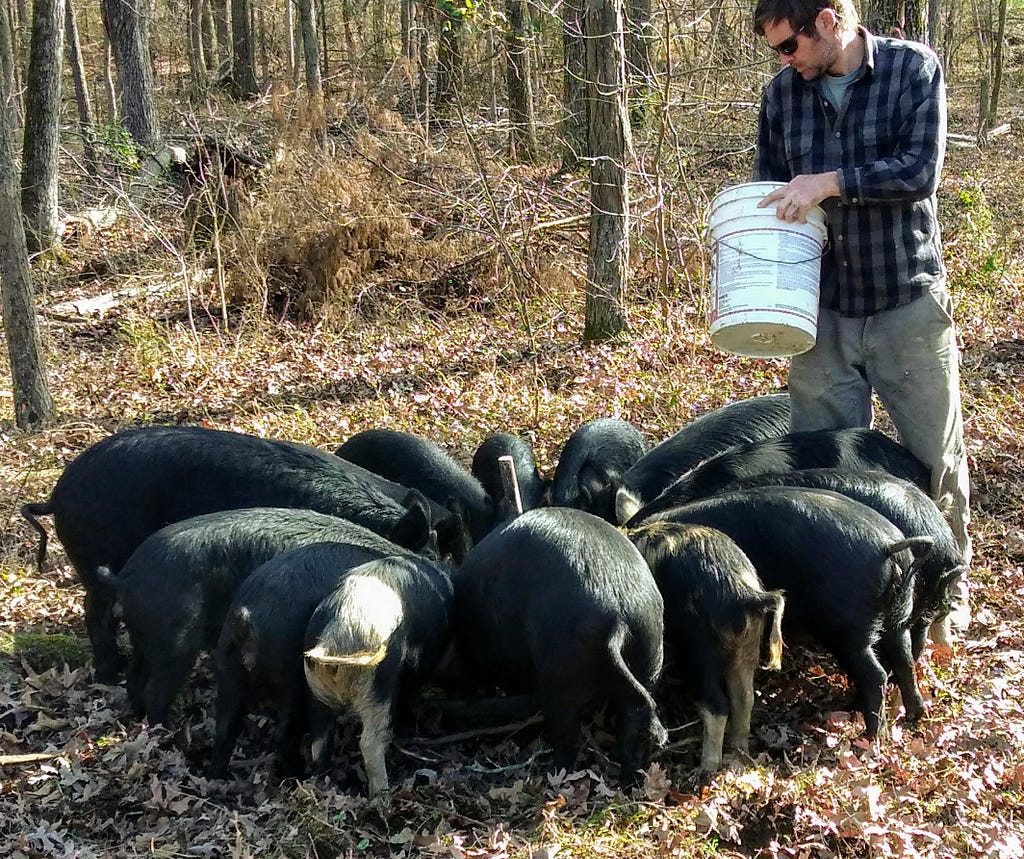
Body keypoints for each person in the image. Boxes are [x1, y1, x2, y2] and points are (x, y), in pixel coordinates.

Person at [750, 0, 972, 644]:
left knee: (934, 459)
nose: (783, 61)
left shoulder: (912, 71)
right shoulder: (782, 96)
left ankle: (946, 590)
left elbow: (918, 172)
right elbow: (771, 194)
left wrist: (829, 182)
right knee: (822, 467)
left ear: (827, 20)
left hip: (906, 300)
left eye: (788, 45)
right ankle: (845, 603)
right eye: (775, 53)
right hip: (820, 308)